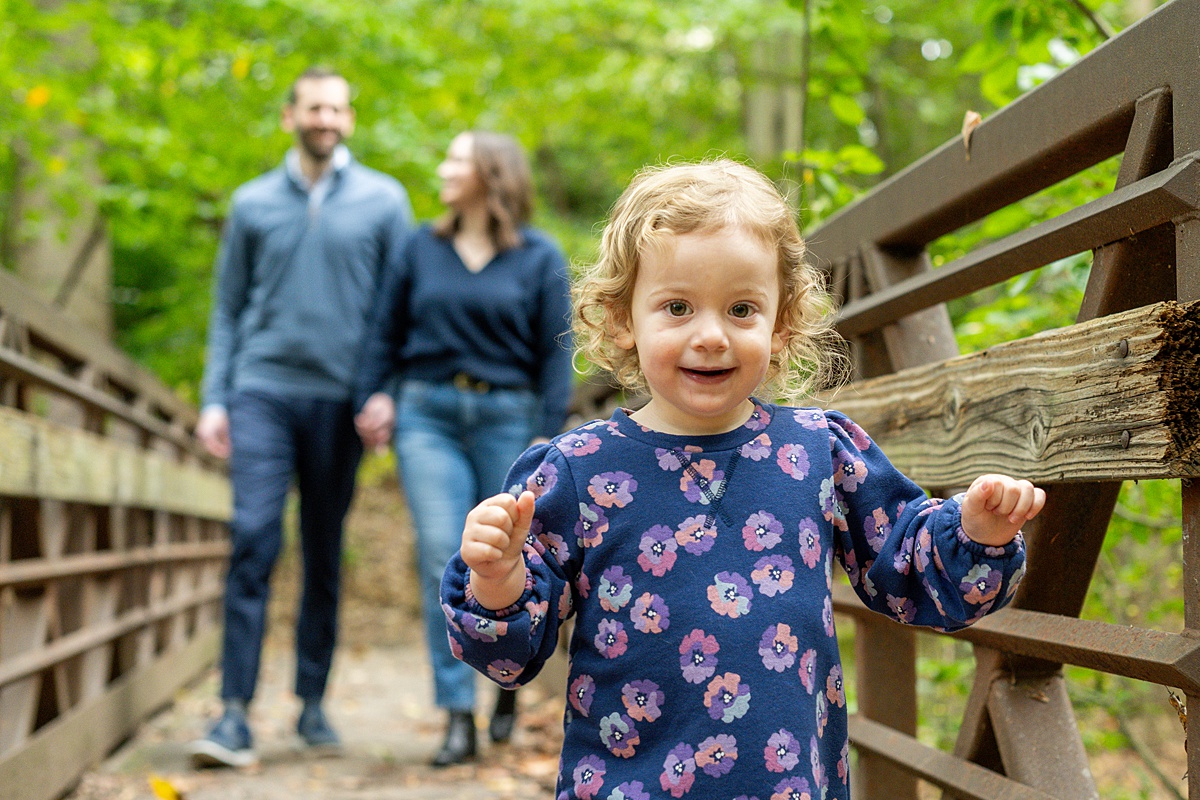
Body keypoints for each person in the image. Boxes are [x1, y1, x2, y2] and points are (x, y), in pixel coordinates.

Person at [441, 160, 1045, 798]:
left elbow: (907, 570)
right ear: (622, 318)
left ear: (781, 323)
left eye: (741, 309)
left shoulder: (821, 450)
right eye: (677, 307)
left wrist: (975, 533)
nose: (710, 336)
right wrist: (497, 577)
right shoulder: (578, 469)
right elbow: (508, 658)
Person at [190, 67, 414, 768]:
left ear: (350, 118)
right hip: (262, 388)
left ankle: (312, 702)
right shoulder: (253, 203)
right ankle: (233, 712)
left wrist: (387, 391)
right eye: (314, 107)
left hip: (342, 401)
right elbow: (227, 308)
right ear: (290, 116)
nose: (326, 118)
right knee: (254, 537)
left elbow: (398, 310)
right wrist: (214, 397)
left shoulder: (385, 201)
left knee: (323, 547)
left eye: (338, 109)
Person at [354, 131, 574, 766]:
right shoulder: (419, 247)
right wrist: (374, 394)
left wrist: (547, 429)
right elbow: (382, 332)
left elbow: (557, 354)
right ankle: (456, 714)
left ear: (491, 173)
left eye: (455, 158)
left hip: (509, 416)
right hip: (427, 414)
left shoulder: (539, 256)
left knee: (512, 553)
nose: (443, 167)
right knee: (441, 552)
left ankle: (506, 679)